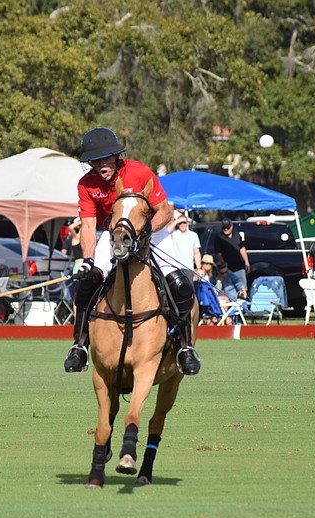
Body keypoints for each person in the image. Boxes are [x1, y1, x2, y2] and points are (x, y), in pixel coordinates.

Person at [63, 127, 201, 375]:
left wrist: (144, 234)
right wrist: (87, 260)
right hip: (113, 234)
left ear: (116, 157)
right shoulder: (86, 184)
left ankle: (184, 346)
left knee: (179, 283)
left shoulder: (139, 172)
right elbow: (88, 225)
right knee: (88, 281)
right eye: (96, 160)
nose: (102, 164)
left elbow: (166, 211)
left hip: (152, 232)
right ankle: (80, 346)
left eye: (106, 158)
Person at [213, 219, 250, 300]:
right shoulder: (219, 237)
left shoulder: (237, 235)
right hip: (227, 269)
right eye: (224, 228)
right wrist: (224, 266)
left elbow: (242, 248)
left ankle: (243, 307)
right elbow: (218, 254)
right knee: (229, 290)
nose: (226, 229)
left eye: (227, 227)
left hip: (239, 268)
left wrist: (246, 262)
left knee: (242, 288)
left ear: (232, 226)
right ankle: (232, 309)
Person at [169, 211, 201, 279]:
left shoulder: (193, 235)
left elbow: (196, 253)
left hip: (189, 269)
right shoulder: (174, 234)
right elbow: (167, 231)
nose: (182, 224)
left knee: (189, 288)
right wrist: (176, 221)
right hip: (176, 268)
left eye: (184, 222)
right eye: (180, 223)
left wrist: (198, 268)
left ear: (187, 223)